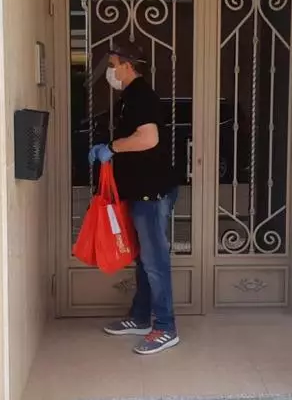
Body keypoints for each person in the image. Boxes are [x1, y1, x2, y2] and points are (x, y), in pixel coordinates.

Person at [88, 41, 179, 355]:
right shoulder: (131, 96)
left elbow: (148, 138)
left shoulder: (142, 95)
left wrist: (111, 148)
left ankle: (165, 327)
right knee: (144, 259)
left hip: (152, 192)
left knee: (155, 262)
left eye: (113, 65)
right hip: (141, 191)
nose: (110, 71)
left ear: (128, 66)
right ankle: (141, 317)